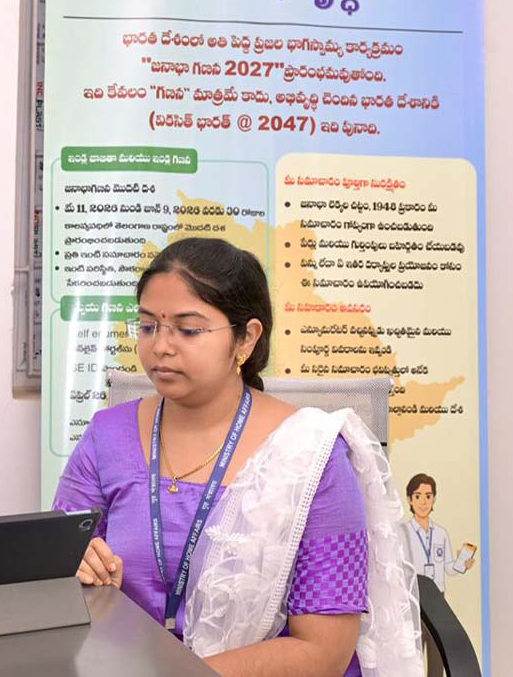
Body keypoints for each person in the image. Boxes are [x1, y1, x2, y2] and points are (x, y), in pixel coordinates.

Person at [53, 238, 421, 677]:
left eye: (188, 330)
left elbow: (323, 652)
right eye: (148, 326)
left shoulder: (311, 455)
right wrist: (77, 569)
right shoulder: (106, 436)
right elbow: (56, 568)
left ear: (246, 337)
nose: (160, 346)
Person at [402, 473, 475, 595]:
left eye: (428, 496)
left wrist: (462, 564)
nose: (423, 502)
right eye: (418, 496)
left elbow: (448, 568)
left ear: (434, 499)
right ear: (409, 500)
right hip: (414, 594)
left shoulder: (441, 533)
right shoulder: (404, 532)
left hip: (438, 595)